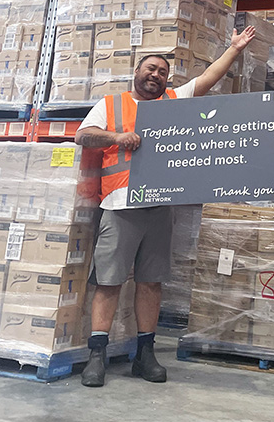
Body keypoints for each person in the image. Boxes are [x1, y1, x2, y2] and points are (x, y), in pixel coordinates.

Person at [76, 26, 256, 387]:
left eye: (161, 72)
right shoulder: (111, 105)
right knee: (109, 282)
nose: (155, 75)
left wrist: (234, 49)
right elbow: (83, 135)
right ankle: (97, 354)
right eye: (150, 69)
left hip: (159, 208)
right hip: (120, 206)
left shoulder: (174, 102)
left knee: (151, 282)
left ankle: (146, 353)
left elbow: (207, 79)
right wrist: (117, 137)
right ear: (137, 72)